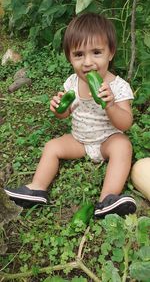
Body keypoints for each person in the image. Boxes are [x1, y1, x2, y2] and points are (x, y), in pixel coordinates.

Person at [5, 13, 137, 218]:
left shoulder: (118, 86)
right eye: (78, 55)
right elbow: (65, 114)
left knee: (123, 145)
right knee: (52, 146)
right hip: (79, 141)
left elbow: (126, 122)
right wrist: (60, 109)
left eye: (96, 52)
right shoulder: (72, 83)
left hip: (106, 142)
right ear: (69, 58)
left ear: (110, 53)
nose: (87, 62)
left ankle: (107, 199)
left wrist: (110, 105)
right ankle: (37, 188)